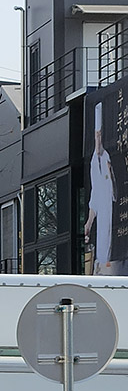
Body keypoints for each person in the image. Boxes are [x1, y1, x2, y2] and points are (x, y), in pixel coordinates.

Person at [85, 102, 117, 275]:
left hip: (110, 208)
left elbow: (112, 189)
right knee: (102, 237)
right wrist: (89, 222)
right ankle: (101, 266)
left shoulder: (107, 157)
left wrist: (110, 173)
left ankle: (107, 266)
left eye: (100, 136)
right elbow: (94, 195)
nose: (98, 140)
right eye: (96, 136)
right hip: (102, 209)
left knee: (109, 235)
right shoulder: (93, 162)